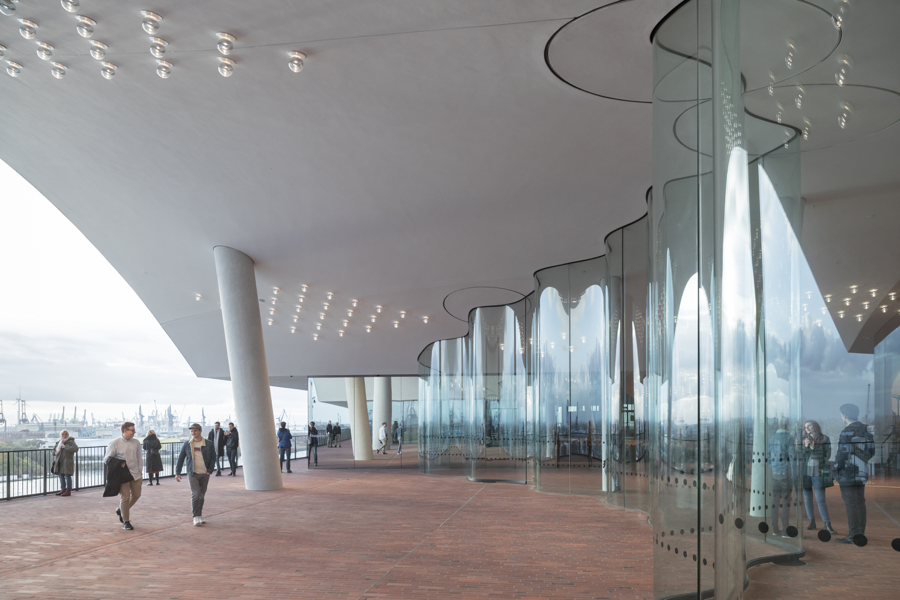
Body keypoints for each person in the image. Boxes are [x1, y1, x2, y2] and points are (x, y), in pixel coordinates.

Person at [834, 403, 875, 544]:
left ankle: (853, 535)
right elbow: (871, 452)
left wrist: (835, 470)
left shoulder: (847, 431)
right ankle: (860, 533)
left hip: (848, 472)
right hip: (862, 472)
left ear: (844, 415)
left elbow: (842, 454)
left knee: (851, 504)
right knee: (859, 502)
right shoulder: (866, 430)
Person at [175, 423, 218, 526]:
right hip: (192, 473)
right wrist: (178, 472)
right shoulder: (187, 444)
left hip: (205, 473)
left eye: (195, 431)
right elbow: (181, 458)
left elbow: (213, 457)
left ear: (200, 431)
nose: (193, 433)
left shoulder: (209, 443)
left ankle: (200, 515)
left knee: (202, 496)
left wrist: (209, 470)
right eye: (192, 431)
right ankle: (195, 517)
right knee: (196, 494)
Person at [104, 421, 143, 530]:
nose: (134, 432)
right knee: (125, 497)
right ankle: (126, 521)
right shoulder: (114, 443)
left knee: (136, 495)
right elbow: (106, 459)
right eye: (132, 430)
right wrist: (119, 462)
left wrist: (140, 470)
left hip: (135, 474)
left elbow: (139, 457)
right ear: (125, 430)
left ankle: (121, 510)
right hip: (122, 475)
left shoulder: (136, 442)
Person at [800, 420, 837, 534]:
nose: (807, 428)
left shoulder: (824, 439)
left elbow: (827, 455)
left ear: (815, 426)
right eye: (805, 426)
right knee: (807, 498)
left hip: (818, 471)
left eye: (809, 425)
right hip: (806, 473)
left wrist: (813, 447)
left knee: (820, 499)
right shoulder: (803, 440)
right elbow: (800, 456)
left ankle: (827, 524)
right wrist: (805, 447)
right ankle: (812, 521)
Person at [767, 421, 795, 537]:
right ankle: (785, 530)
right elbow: (792, 457)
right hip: (786, 474)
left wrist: (773, 468)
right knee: (786, 503)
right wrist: (793, 474)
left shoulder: (772, 438)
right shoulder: (789, 437)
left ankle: (775, 529)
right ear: (787, 426)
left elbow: (768, 457)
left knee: (775, 502)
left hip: (775, 474)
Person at [53, 430, 78, 497]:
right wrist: (55, 453)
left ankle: (68, 490)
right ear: (61, 435)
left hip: (67, 462)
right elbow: (53, 450)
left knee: (67, 476)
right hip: (59, 461)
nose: (64, 435)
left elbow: (76, 449)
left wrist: (65, 447)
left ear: (68, 435)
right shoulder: (59, 442)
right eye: (63, 434)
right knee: (61, 476)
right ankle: (63, 489)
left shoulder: (71, 442)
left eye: (66, 434)